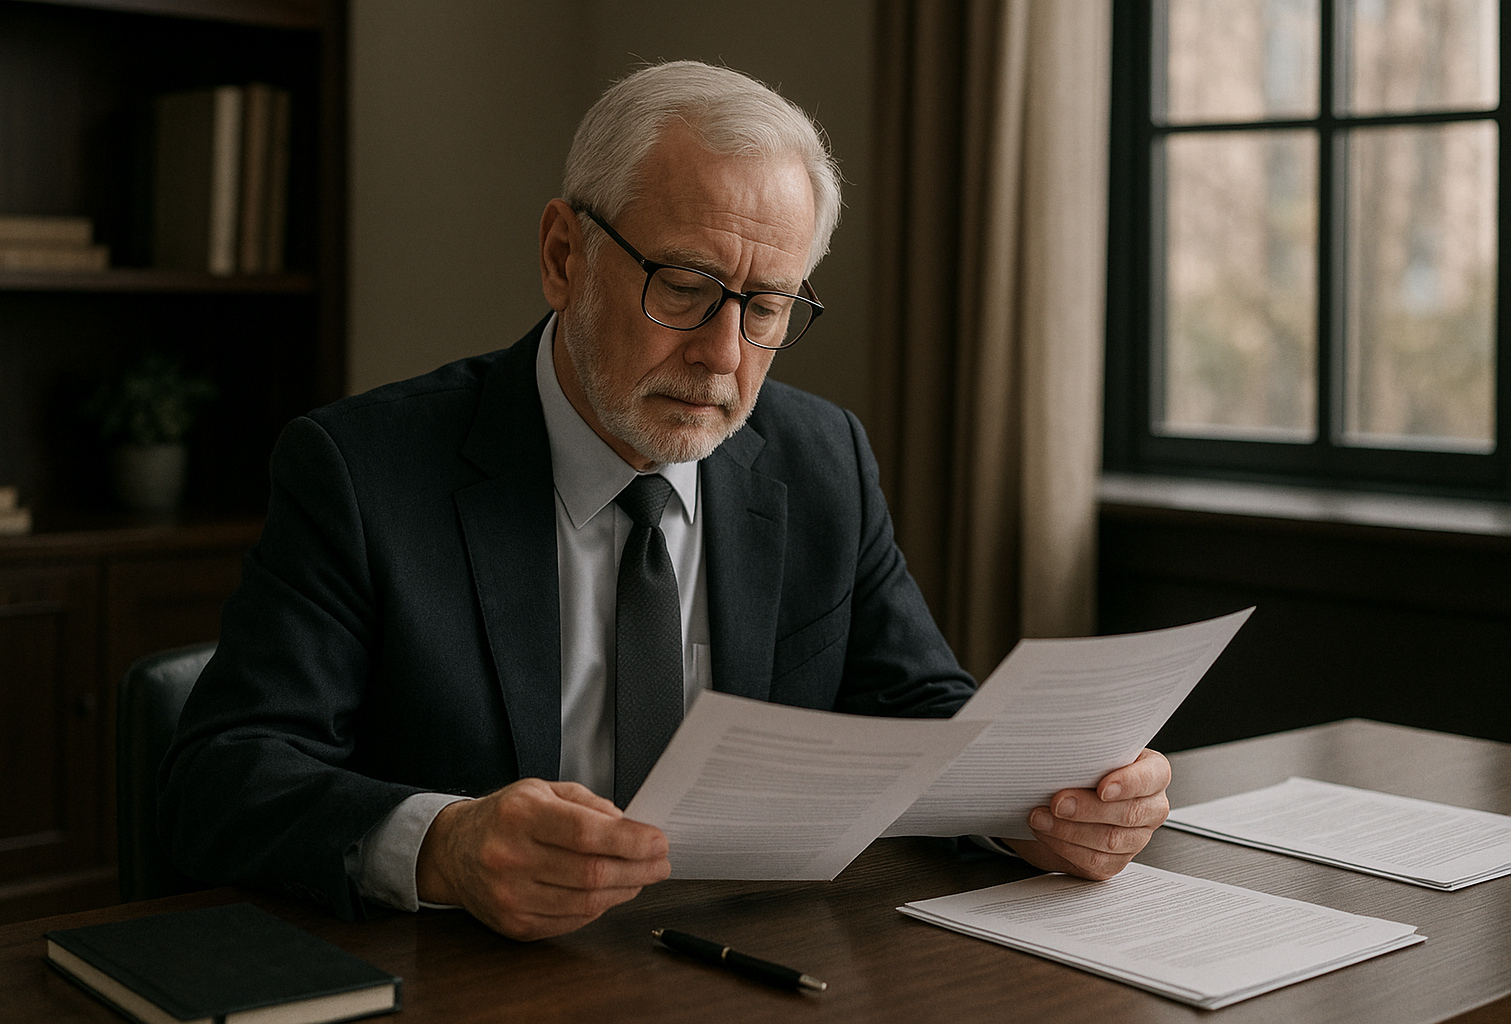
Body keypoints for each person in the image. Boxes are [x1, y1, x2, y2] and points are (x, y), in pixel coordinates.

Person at [159, 61, 1171, 942]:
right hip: (472, 977)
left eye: (767, 306)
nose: (724, 356)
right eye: (684, 286)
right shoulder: (361, 468)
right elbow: (221, 778)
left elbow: (915, 707)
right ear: (565, 256)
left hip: (745, 955)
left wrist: (1045, 804)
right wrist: (448, 845)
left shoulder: (823, 459)